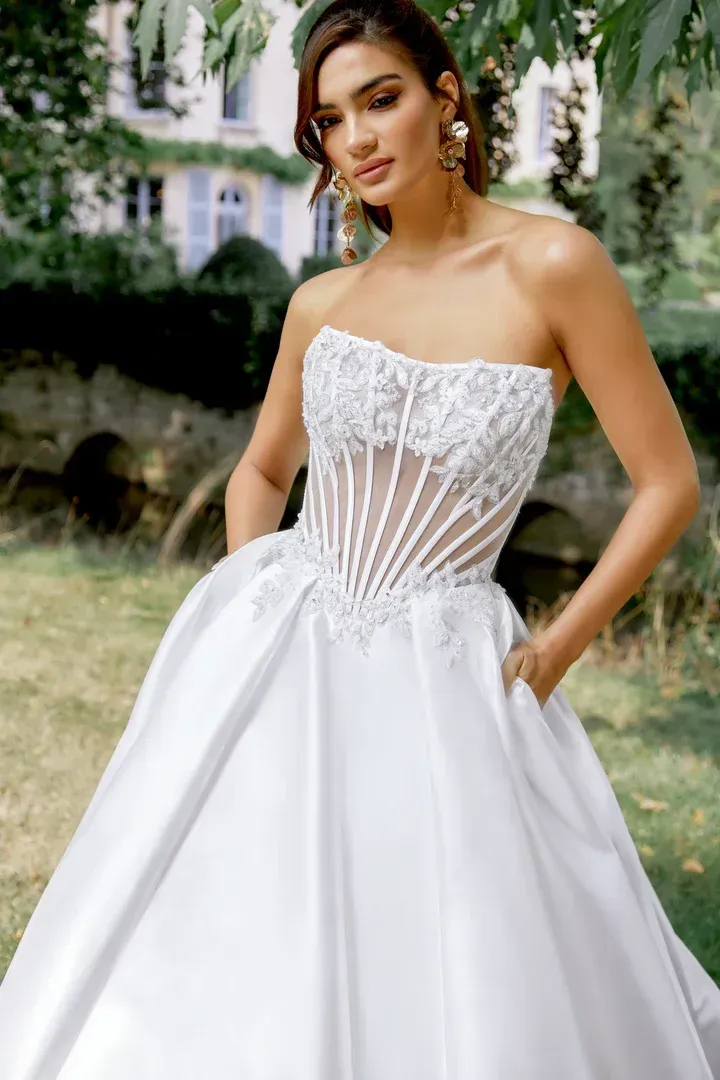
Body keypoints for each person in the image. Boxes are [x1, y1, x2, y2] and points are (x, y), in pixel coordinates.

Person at [1, 0, 719, 1075]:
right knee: (230, 936)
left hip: (455, 672)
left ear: (445, 99)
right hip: (282, 644)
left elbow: (668, 483)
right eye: (331, 120)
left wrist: (558, 647)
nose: (359, 139)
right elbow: (260, 469)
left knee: (459, 951)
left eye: (379, 100)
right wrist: (252, 594)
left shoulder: (554, 265)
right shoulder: (324, 302)